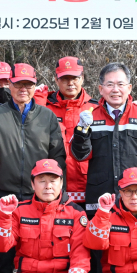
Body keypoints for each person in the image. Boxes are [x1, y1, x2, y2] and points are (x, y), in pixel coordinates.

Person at [0, 63, 67, 273]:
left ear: (35, 86)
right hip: (5, 195)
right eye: (18, 84)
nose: (23, 89)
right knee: (3, 250)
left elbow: (57, 155)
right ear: (10, 85)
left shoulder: (46, 116)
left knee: (40, 250)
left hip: (38, 196)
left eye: (28, 84)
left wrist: (57, 189)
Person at [71, 62, 137, 215]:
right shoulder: (89, 117)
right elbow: (79, 156)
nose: (115, 90)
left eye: (120, 84)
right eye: (109, 84)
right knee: (98, 238)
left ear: (129, 88)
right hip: (99, 199)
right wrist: (81, 131)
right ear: (101, 89)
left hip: (135, 201)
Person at [46, 56, 96, 206]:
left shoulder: (97, 108)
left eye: (74, 77)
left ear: (82, 78)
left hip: (89, 188)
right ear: (56, 79)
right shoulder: (44, 109)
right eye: (64, 78)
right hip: (54, 188)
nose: (70, 83)